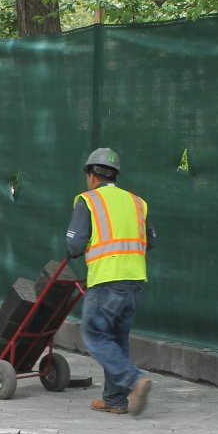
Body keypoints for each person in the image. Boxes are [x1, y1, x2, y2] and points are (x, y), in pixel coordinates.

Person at [65, 147, 155, 416]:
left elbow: (74, 244)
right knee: (117, 339)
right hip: (135, 279)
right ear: (115, 174)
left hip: (106, 280)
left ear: (92, 175)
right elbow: (151, 241)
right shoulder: (137, 202)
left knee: (94, 335)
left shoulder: (88, 201)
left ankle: (134, 381)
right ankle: (115, 400)